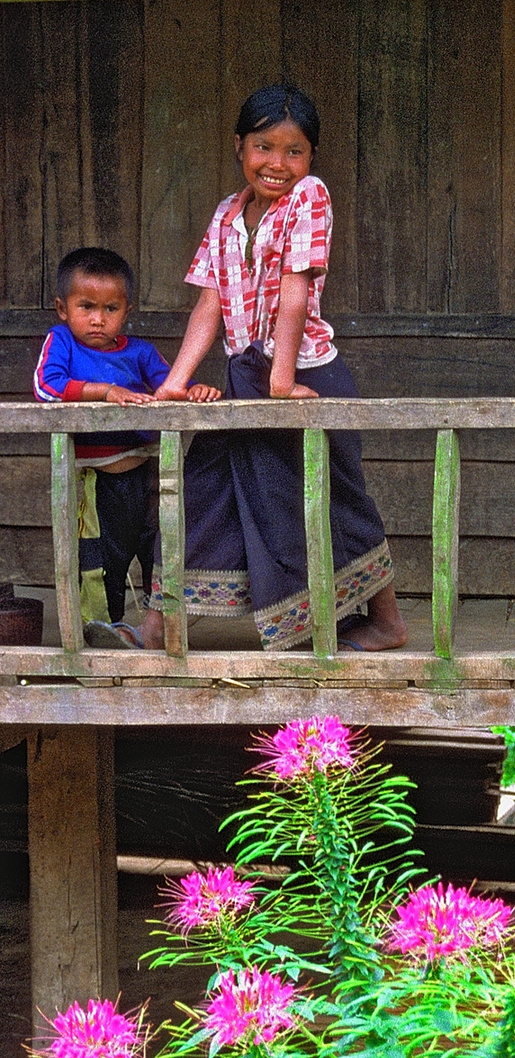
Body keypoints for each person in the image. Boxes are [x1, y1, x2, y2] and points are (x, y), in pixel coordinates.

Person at [88, 84, 406, 652]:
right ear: (239, 147)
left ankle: (386, 623)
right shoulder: (227, 215)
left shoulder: (310, 197)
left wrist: (282, 382)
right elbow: (211, 302)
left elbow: (294, 292)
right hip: (245, 378)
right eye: (264, 147)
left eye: (295, 151)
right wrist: (175, 383)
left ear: (310, 160)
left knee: (334, 498)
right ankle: (156, 629)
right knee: (198, 492)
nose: (278, 164)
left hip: (306, 374)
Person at [34, 247, 219, 638]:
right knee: (101, 563)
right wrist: (106, 391)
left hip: (150, 476)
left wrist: (192, 390)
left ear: (127, 310)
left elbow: (169, 388)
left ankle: (162, 632)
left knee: (161, 553)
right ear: (62, 308)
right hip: (97, 482)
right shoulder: (62, 343)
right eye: (86, 306)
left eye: (111, 309)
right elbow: (46, 387)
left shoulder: (141, 352)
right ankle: (102, 636)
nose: (98, 319)